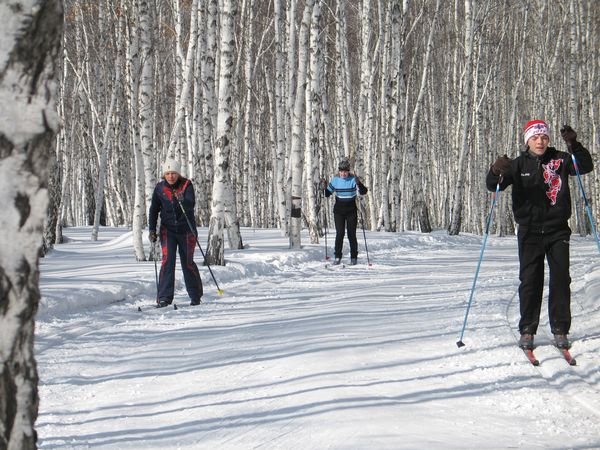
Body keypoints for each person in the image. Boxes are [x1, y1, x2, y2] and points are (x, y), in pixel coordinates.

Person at [486, 121, 593, 350]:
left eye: (544, 137)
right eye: (535, 137)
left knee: (561, 279)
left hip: (557, 230)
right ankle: (527, 329)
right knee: (530, 281)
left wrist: (574, 143)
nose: (540, 141)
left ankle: (560, 329)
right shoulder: (517, 165)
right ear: (528, 141)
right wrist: (495, 170)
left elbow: (585, 166)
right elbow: (492, 185)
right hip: (529, 232)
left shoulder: (561, 159)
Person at [148, 157, 203, 307]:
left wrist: (182, 200)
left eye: (173, 173)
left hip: (187, 231)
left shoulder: (186, 185)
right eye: (168, 173)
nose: (171, 176)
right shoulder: (160, 188)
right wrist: (152, 229)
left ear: (178, 173)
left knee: (187, 262)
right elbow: (153, 210)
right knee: (167, 262)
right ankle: (164, 297)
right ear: (164, 175)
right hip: (168, 231)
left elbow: (190, 203)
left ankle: (195, 295)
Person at [322, 157, 368, 265]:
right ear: (339, 171)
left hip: (351, 210)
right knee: (340, 233)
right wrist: (323, 187)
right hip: (339, 211)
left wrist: (359, 183)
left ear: (348, 171)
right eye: (341, 171)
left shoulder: (353, 179)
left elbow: (363, 191)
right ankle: (337, 256)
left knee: (351, 234)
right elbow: (327, 194)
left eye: (345, 171)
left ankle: (353, 257)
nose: (343, 174)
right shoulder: (336, 180)